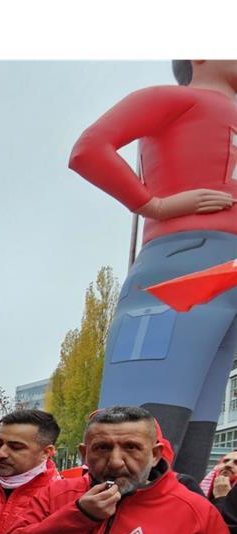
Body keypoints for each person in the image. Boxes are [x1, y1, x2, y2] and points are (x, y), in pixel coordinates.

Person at [70, 60, 237, 481]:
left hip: (226, 268)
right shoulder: (175, 98)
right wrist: (154, 205)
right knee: (150, 410)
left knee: (202, 411)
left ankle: (179, 518)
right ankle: (123, 517)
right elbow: (90, 149)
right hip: (182, 261)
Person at [3, 406, 233, 534]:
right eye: (102, 448)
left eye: (131, 448)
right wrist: (79, 516)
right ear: (84, 453)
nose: (115, 462)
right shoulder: (57, 494)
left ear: (155, 454)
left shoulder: (197, 513)